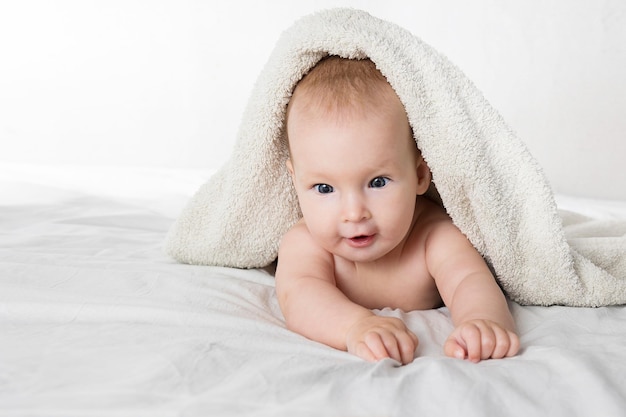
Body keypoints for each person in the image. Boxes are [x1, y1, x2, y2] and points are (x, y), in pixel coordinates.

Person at [275, 56, 520, 365]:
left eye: (378, 182)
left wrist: (484, 321)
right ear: (295, 181)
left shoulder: (433, 236)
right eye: (324, 188)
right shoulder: (305, 243)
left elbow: (468, 280)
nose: (354, 213)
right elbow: (299, 297)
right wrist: (355, 326)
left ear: (419, 175)